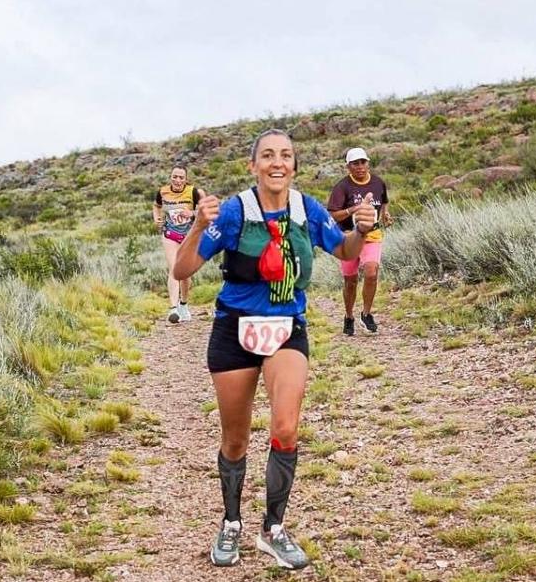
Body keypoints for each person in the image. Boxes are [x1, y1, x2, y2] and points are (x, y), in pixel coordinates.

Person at [173, 129, 376, 570]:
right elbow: (183, 267)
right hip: (234, 329)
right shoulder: (232, 212)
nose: (276, 162)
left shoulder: (307, 209)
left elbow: (342, 247)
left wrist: (360, 232)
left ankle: (274, 529)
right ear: (253, 165)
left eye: (285, 155)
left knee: (285, 427)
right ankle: (231, 522)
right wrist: (198, 226)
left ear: (295, 165)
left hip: (287, 327)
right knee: (235, 438)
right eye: (267, 155)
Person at [326, 147, 392, 336]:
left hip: (372, 235)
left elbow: (384, 201)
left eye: (363, 162)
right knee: (350, 281)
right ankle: (349, 316)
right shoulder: (342, 187)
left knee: (371, 272)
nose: (360, 167)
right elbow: (333, 215)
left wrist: (385, 214)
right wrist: (353, 209)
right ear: (348, 167)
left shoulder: (378, 183)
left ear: (368, 163)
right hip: (348, 237)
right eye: (355, 163)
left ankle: (366, 313)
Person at [153, 164, 205, 323]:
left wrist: (192, 213)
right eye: (174, 176)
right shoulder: (163, 191)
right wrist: (156, 217)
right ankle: (173, 309)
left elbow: (206, 210)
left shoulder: (193, 192)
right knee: (174, 268)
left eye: (181, 177)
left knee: (185, 273)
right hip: (170, 235)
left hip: (189, 237)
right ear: (170, 177)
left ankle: (183, 304)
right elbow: (156, 205)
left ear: (186, 179)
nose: (177, 180)